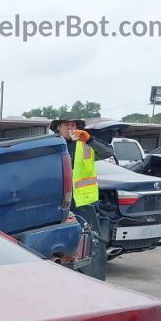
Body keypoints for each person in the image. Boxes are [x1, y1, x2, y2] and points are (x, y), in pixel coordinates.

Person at [50, 118, 113, 279]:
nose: (71, 128)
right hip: (55, 202)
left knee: (92, 242)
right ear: (58, 128)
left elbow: (108, 152)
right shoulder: (50, 145)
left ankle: (94, 280)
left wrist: (89, 139)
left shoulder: (85, 144)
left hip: (82, 202)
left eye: (74, 125)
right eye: (66, 125)